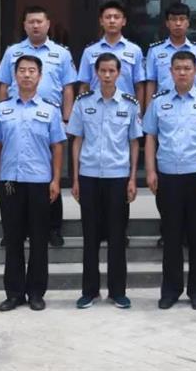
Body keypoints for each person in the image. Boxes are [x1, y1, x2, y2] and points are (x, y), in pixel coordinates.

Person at [143, 51, 196, 310]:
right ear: (171, 71)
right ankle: (171, 290)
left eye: (187, 68)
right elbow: (150, 137)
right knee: (171, 236)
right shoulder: (159, 102)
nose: (182, 72)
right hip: (168, 177)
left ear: (195, 71)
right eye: (177, 68)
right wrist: (151, 171)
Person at [0, 55, 65, 312]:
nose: (27, 75)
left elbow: (57, 147)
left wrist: (55, 180)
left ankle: (36, 293)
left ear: (40, 76)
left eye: (32, 71)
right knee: (13, 239)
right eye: (22, 70)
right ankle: (14, 293)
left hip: (39, 182)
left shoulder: (50, 110)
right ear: (15, 76)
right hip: (10, 181)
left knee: (39, 240)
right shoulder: (1, 110)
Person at [0, 5, 76, 247]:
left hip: (50, 120)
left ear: (48, 24)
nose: (35, 25)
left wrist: (67, 119)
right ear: (24, 25)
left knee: (51, 175)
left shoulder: (61, 53)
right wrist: (3, 115)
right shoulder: (13, 52)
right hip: (16, 117)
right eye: (31, 22)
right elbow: (3, 85)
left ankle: (53, 228)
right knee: (14, 176)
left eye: (40, 21)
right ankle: (12, 231)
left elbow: (68, 87)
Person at [68, 53, 143, 310]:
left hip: (117, 177)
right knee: (90, 236)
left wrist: (132, 178)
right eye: (103, 71)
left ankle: (117, 291)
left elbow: (134, 143)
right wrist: (75, 178)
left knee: (117, 237)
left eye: (112, 71)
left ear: (119, 73)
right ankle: (89, 291)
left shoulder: (130, 104)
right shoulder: (83, 102)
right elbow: (77, 140)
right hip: (89, 176)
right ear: (96, 73)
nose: (107, 75)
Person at [78, 0, 146, 102]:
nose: (112, 21)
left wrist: (138, 110)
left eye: (116, 17)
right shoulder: (89, 52)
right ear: (101, 21)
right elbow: (84, 86)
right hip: (95, 107)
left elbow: (139, 86)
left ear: (124, 21)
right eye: (108, 17)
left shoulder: (135, 51)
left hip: (125, 108)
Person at [145, 2, 196, 104]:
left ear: (188, 23)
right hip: (163, 106)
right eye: (173, 19)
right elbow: (151, 83)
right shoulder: (155, 50)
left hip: (192, 106)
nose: (178, 23)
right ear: (167, 23)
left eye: (182, 19)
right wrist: (149, 110)